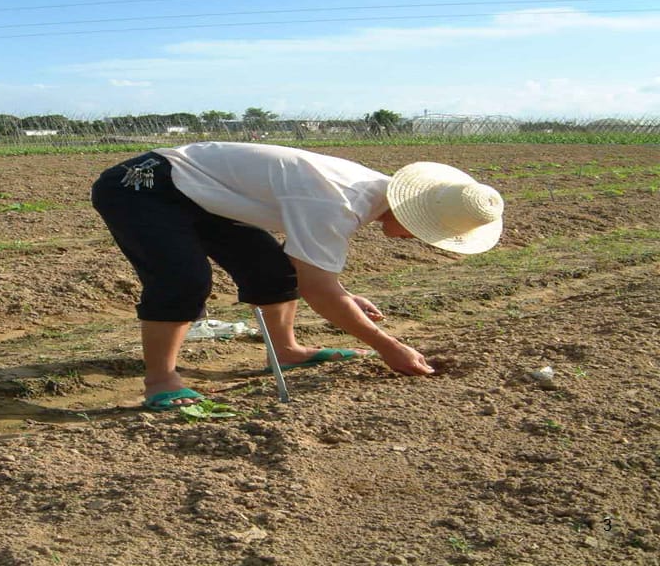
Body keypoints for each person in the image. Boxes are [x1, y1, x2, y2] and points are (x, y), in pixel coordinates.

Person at [91, 142, 504, 411]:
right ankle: (160, 380)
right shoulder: (337, 202)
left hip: (202, 194)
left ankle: (285, 351)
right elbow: (318, 289)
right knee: (183, 279)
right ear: (413, 213)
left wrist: (336, 291)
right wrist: (386, 346)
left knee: (272, 272)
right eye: (428, 232)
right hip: (142, 188)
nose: (422, 240)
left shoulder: (368, 190)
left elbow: (313, 276)